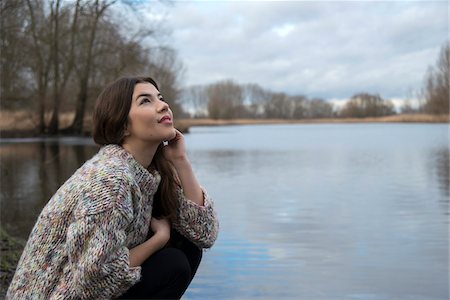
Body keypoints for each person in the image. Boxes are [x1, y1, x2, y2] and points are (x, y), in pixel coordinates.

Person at [6, 76, 219, 299]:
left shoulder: (151, 172)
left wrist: (181, 161)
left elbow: (204, 234)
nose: (163, 105)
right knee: (173, 264)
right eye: (145, 101)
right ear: (122, 124)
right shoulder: (110, 179)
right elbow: (95, 281)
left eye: (161, 98)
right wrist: (158, 240)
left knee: (188, 245)